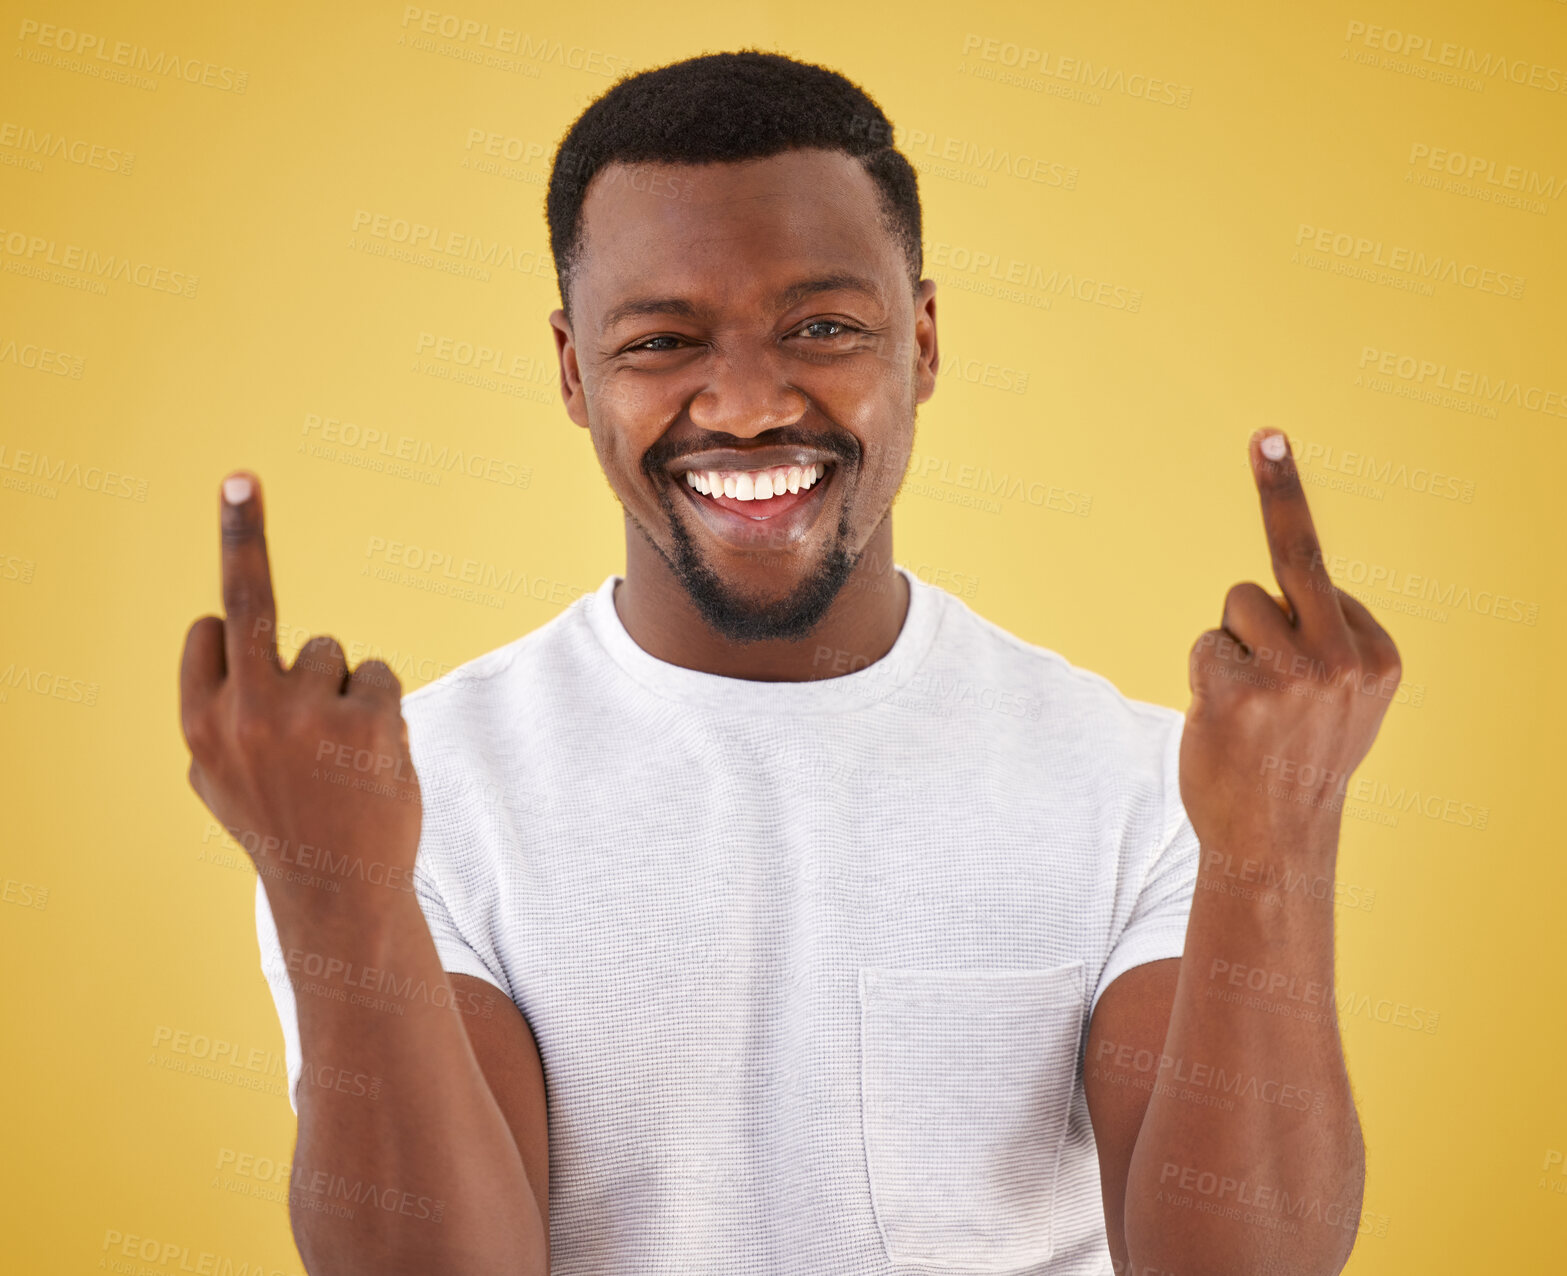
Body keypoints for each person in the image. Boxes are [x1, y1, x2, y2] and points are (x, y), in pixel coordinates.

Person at [177, 50, 1401, 1276]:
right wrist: (328, 878)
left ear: (920, 342)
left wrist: (1278, 842)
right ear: (571, 371)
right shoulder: (407, 797)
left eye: (822, 326)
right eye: (663, 339)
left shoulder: (1147, 787)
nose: (751, 404)